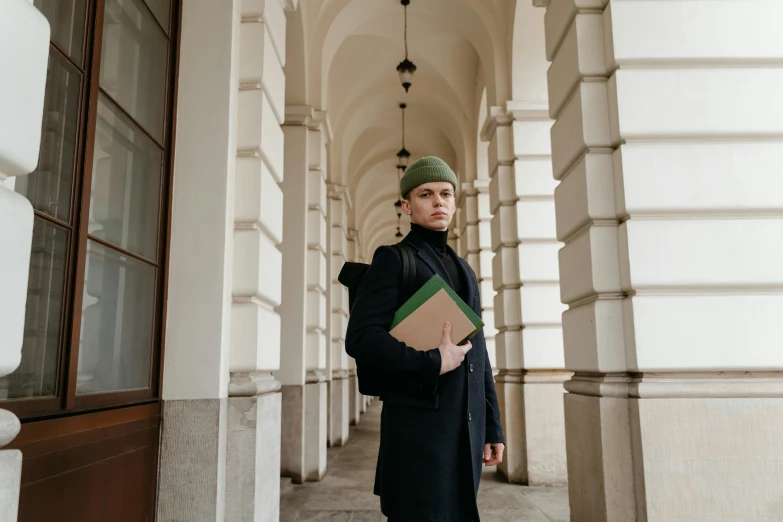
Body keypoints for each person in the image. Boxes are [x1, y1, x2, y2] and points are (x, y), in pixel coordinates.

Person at [345, 156, 505, 522]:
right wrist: (434, 361)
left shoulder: (465, 270)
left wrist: (492, 424)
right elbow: (361, 338)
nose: (438, 201)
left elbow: (478, 352)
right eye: (426, 194)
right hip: (417, 432)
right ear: (407, 205)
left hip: (465, 432)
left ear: (454, 202)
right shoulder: (393, 259)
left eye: (446, 194)